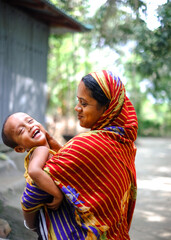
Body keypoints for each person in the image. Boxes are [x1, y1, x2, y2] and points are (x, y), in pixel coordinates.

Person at [22, 70, 138, 239]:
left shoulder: (85, 145)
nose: (77, 108)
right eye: (78, 101)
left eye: (84, 104)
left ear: (106, 108)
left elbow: (33, 192)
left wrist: (30, 224)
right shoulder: (124, 143)